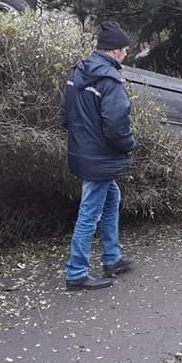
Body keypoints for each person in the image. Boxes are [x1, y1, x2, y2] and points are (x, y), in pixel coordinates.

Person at [60, 21, 138, 291]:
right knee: (89, 211)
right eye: (126, 49)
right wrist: (129, 145)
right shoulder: (110, 80)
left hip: (81, 151)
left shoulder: (77, 72)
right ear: (115, 51)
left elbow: (65, 113)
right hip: (101, 155)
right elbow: (117, 124)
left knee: (111, 196)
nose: (127, 54)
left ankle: (112, 257)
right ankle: (77, 272)